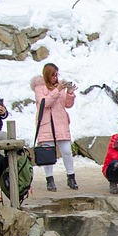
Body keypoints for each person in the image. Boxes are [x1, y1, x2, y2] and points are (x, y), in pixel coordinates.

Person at [32, 63, 78, 192]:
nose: (55, 77)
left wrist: (69, 93)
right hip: (47, 123)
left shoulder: (60, 87)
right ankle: (49, 179)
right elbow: (44, 103)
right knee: (48, 153)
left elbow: (67, 105)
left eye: (56, 74)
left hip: (61, 123)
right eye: (52, 75)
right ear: (47, 75)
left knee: (67, 151)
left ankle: (71, 176)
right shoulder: (39, 88)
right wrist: (57, 90)